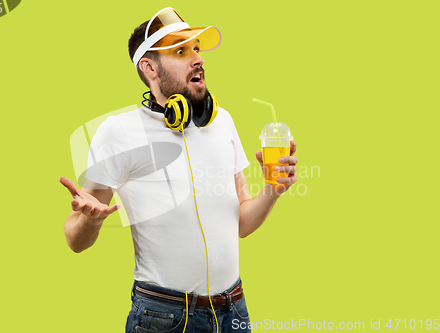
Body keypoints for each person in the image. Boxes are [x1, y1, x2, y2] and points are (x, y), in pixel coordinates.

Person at [60, 7, 298, 333]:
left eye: (197, 48)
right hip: (163, 317)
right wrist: (90, 219)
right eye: (181, 50)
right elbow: (75, 239)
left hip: (234, 310)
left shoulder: (222, 122)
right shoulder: (120, 132)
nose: (198, 58)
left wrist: (273, 190)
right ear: (149, 67)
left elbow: (241, 222)